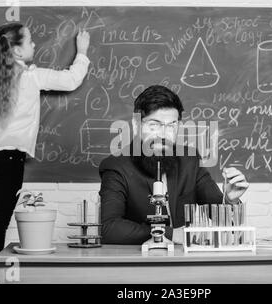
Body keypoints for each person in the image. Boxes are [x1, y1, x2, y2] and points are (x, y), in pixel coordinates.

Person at [0, 23, 90, 284]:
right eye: (30, 41)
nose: (34, 45)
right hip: (9, 157)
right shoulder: (31, 77)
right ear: (18, 53)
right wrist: (82, 51)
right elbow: (70, 80)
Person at [99, 85, 249, 245]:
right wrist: (169, 234)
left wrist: (230, 201)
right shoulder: (116, 165)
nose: (163, 134)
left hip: (181, 260)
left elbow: (225, 222)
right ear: (136, 125)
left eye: (171, 125)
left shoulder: (189, 160)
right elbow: (110, 228)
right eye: (154, 124)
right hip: (138, 262)